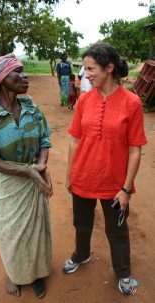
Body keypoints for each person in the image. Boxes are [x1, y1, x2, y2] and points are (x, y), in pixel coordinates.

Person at [63, 43, 147, 295]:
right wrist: (69, 175)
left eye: (91, 69)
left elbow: (135, 150)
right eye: (85, 69)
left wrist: (126, 188)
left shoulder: (131, 103)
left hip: (114, 184)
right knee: (82, 223)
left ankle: (123, 272)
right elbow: (74, 140)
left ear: (109, 68)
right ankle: (82, 255)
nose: (86, 74)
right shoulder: (85, 101)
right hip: (83, 177)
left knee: (117, 230)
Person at [0, 53, 53, 298]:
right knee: (12, 234)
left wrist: (40, 166)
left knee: (36, 231)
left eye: (23, 71)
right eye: (18, 72)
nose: (24, 76)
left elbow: (45, 140)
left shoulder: (32, 108)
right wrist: (28, 172)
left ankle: (36, 274)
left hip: (33, 178)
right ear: (2, 79)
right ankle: (15, 274)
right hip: (8, 185)